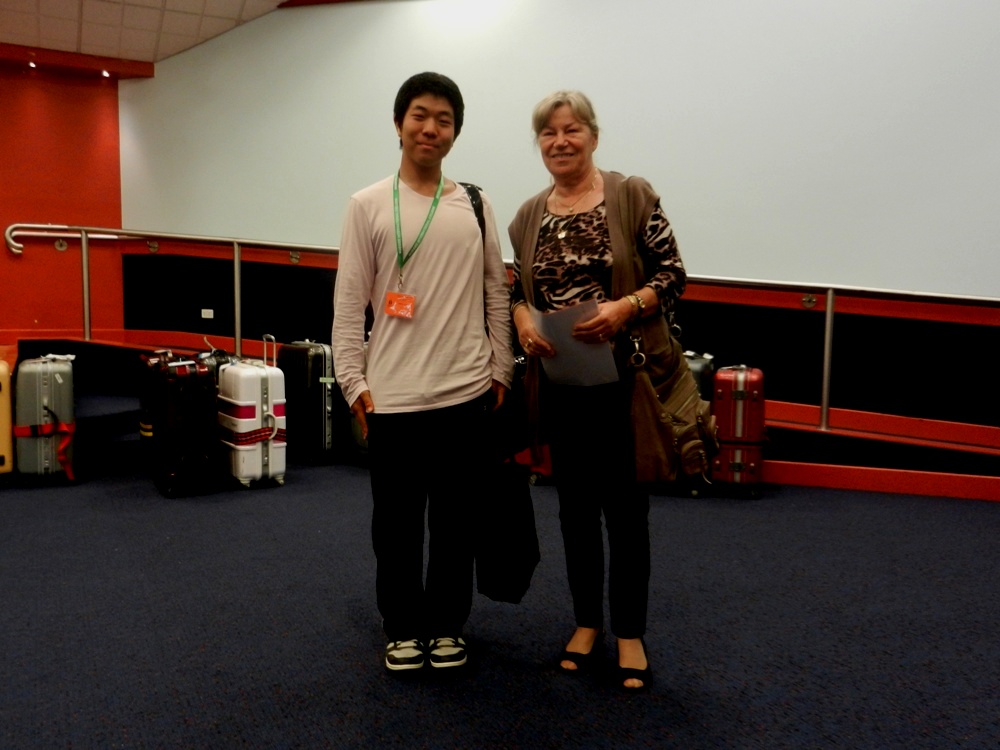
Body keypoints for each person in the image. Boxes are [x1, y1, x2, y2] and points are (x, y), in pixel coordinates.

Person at [333, 72, 513, 673]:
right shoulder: (367, 205)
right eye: (419, 115)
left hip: (466, 391)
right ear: (398, 123)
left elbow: (495, 290)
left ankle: (447, 624)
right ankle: (402, 625)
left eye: (444, 119)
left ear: (455, 132)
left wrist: (502, 368)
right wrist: (353, 383)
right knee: (397, 526)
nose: (430, 128)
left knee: (458, 523)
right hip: (393, 397)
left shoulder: (475, 205)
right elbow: (348, 304)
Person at [508, 90, 687, 691]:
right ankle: (586, 623)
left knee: (627, 511)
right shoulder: (527, 215)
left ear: (593, 136)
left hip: (625, 383)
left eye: (572, 130)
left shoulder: (631, 195)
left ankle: (629, 632)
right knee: (575, 511)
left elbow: (674, 275)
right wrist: (522, 320)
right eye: (548, 133)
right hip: (562, 385)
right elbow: (516, 291)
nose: (560, 141)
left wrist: (625, 307)